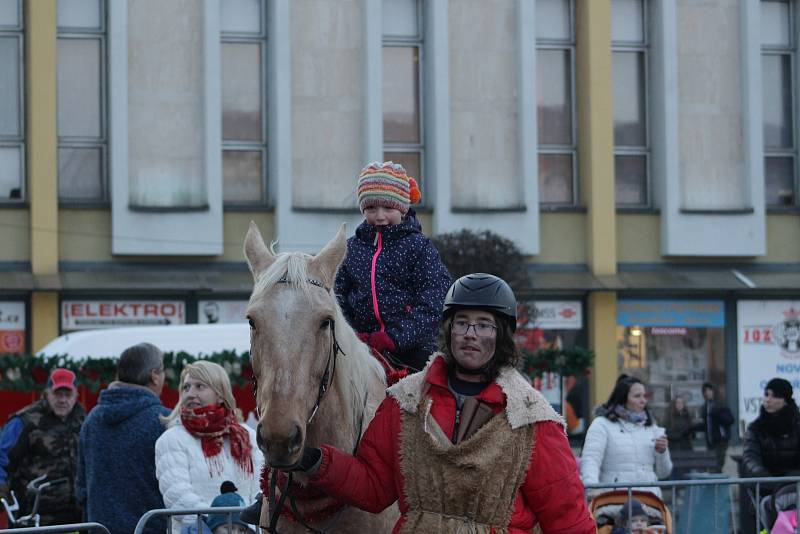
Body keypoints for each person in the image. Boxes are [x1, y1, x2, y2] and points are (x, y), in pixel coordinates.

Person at [278, 273, 596, 533]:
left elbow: (568, 520)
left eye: (484, 324)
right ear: (449, 329)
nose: (470, 333)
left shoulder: (531, 418)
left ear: (502, 335)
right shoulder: (405, 402)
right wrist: (316, 462)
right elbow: (375, 487)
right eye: (462, 322)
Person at [334, 161, 452, 372]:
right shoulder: (351, 249)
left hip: (412, 350)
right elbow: (337, 296)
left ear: (403, 209)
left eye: (388, 208)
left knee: (421, 398)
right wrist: (351, 333)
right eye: (371, 208)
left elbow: (434, 298)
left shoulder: (418, 246)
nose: (379, 216)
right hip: (361, 348)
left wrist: (395, 337)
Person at [156, 361, 263, 534]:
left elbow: (260, 489)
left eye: (199, 386)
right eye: (186, 388)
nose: (190, 394)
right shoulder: (171, 439)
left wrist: (243, 528)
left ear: (220, 394)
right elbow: (178, 497)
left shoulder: (248, 436)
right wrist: (220, 525)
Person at [75, 343, 170, 534]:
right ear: (154, 375)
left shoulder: (92, 419)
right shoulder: (163, 420)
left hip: (100, 529)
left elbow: (81, 487)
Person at [0, 368, 84, 525]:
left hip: (76, 518)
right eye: (58, 394)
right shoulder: (25, 421)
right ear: (46, 393)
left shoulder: (84, 420)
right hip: (33, 518)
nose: (63, 400)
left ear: (76, 395)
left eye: (68, 394)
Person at [580, 375, 673, 498]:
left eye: (645, 396)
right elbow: (591, 460)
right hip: (615, 502)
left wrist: (662, 452)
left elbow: (664, 473)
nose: (643, 400)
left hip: (649, 502)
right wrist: (592, 488)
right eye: (637, 396)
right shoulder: (601, 424)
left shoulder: (652, 427)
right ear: (623, 398)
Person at [742, 377, 800, 529]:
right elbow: (750, 459)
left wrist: (791, 478)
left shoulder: (797, 425)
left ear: (785, 399)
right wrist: (768, 480)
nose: (768, 400)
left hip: (795, 485)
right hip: (767, 489)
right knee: (769, 508)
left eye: (774, 396)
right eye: (766, 394)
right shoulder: (756, 429)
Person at [694, 382, 733, 472]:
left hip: (720, 441)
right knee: (711, 467)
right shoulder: (705, 406)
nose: (707, 393)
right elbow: (706, 425)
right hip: (710, 442)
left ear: (713, 391)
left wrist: (717, 413)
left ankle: (717, 485)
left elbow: (730, 420)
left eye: (709, 390)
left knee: (717, 466)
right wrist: (692, 428)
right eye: (705, 391)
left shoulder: (721, 404)